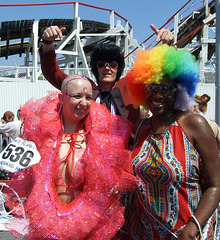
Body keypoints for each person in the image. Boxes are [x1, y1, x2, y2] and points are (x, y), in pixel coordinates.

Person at [5, 74, 137, 239]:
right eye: (77, 96)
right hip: (45, 224)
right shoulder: (41, 136)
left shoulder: (100, 139)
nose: (84, 102)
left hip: (87, 226)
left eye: (88, 97)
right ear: (61, 98)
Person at [120, 44, 220, 239]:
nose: (157, 95)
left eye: (166, 88)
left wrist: (193, 228)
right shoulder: (141, 127)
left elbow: (215, 185)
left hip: (185, 234)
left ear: (178, 91)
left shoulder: (194, 125)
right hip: (142, 232)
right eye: (151, 87)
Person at [39, 24, 173, 126]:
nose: (107, 68)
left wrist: (167, 46)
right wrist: (47, 42)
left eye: (113, 64)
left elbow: (158, 72)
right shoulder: (84, 87)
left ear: (118, 68)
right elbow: (52, 72)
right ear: (96, 68)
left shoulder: (130, 84)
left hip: (127, 155)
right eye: (101, 64)